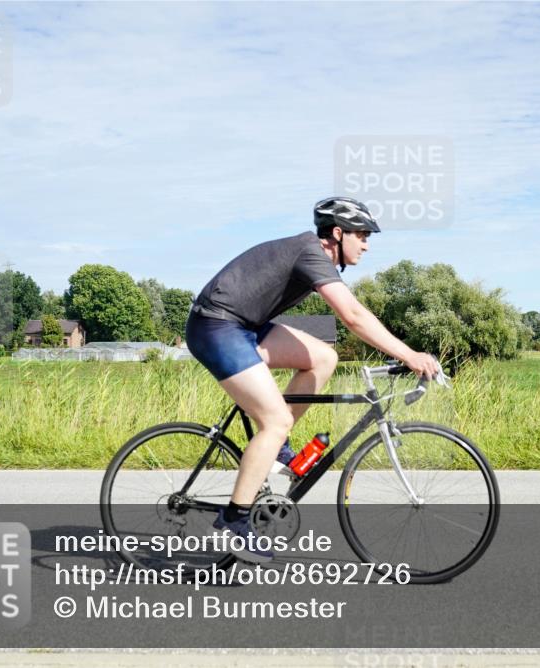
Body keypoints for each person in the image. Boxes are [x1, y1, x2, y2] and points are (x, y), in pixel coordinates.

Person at [185, 196, 439, 562]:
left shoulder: (312, 253)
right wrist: (409, 355)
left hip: (244, 327)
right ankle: (234, 520)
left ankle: (278, 448)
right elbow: (352, 314)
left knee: (324, 357)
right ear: (337, 233)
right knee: (275, 420)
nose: (366, 244)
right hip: (216, 326)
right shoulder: (310, 251)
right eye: (362, 235)